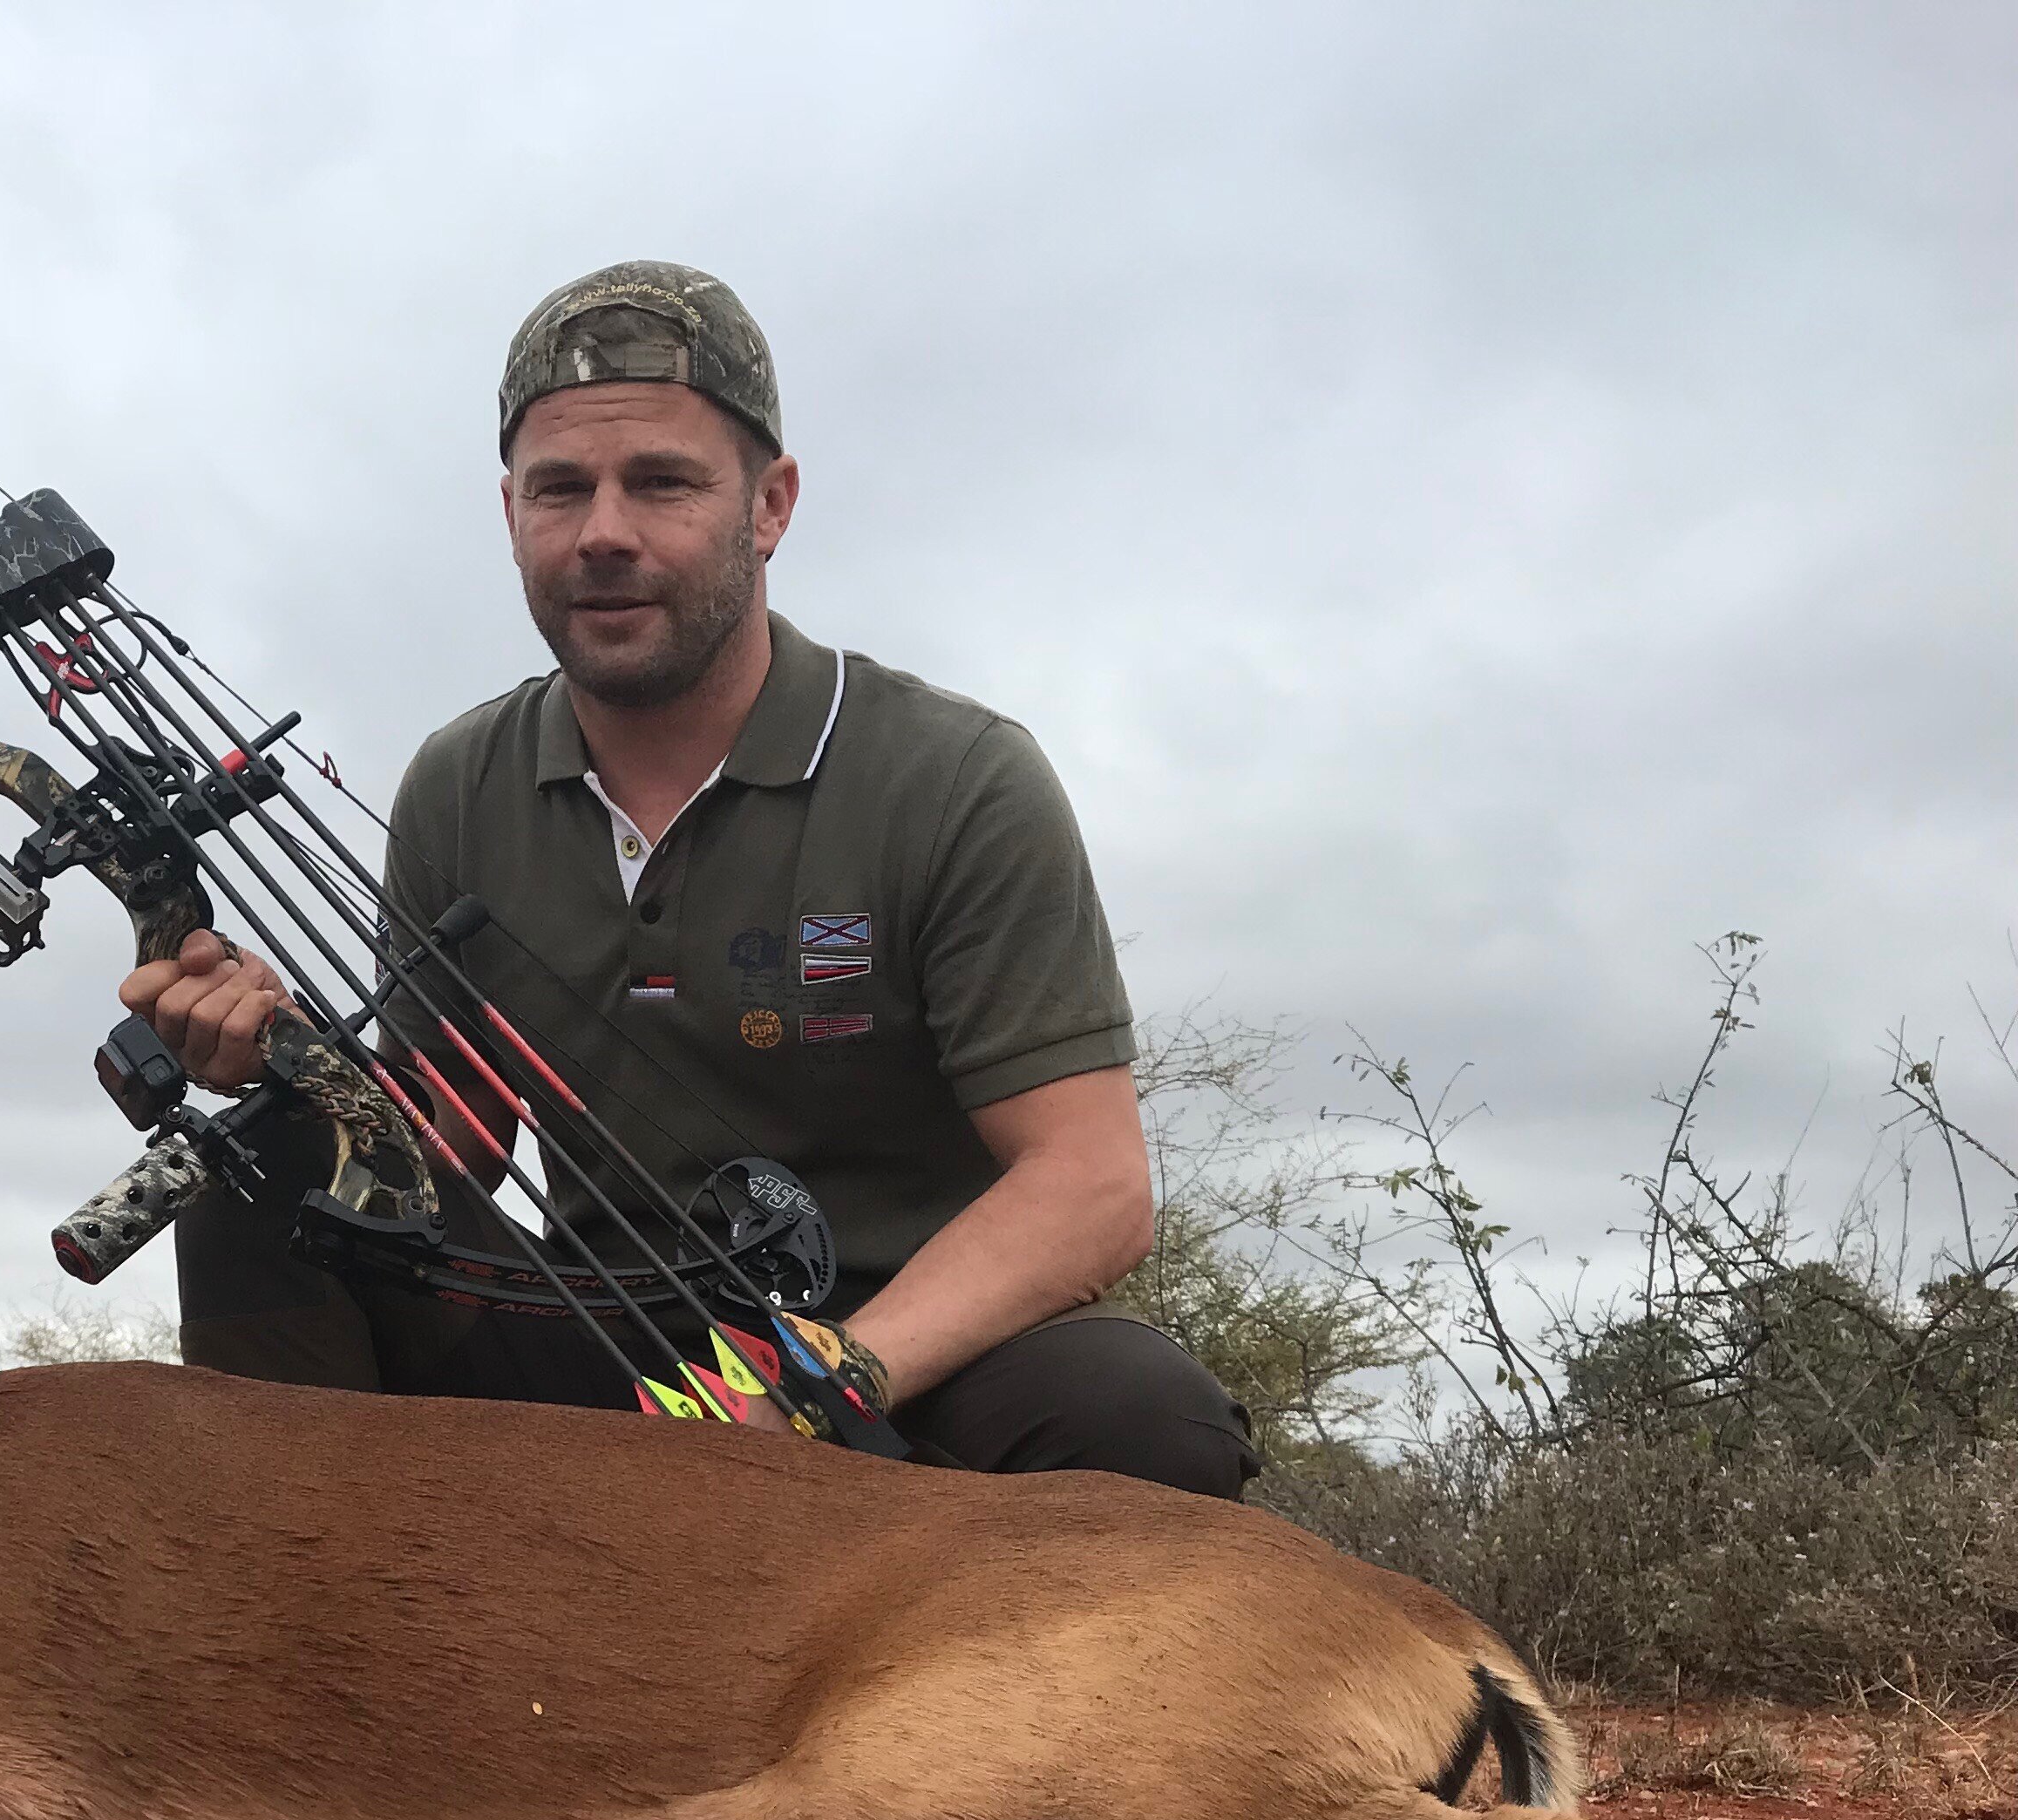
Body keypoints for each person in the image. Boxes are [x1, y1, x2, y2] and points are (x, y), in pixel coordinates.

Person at [118, 259, 1257, 1497]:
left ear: (770, 506)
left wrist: (817, 1384)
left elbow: (1093, 1187)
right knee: (261, 1178)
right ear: (512, 515)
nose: (605, 532)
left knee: (1146, 1416)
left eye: (661, 483)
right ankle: (307, 1641)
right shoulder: (458, 783)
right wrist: (301, 1074)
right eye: (562, 490)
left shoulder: (958, 776)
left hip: (905, 1357)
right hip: (597, 1349)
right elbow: (457, 1145)